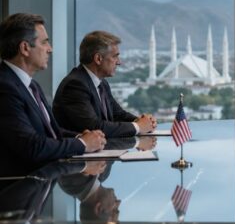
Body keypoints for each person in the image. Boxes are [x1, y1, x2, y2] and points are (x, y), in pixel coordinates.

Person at [0, 13, 105, 176]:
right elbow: (32, 146)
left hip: (44, 179)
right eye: (44, 42)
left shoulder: (31, 85)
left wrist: (81, 136)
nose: (50, 49)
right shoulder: (5, 87)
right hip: (20, 185)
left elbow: (49, 132)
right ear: (25, 48)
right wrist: (83, 144)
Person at [53, 31, 157, 138]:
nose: (119, 62)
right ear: (98, 59)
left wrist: (142, 121)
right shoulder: (75, 85)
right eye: (115, 56)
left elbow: (117, 114)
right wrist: (138, 127)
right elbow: (94, 127)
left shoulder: (101, 83)